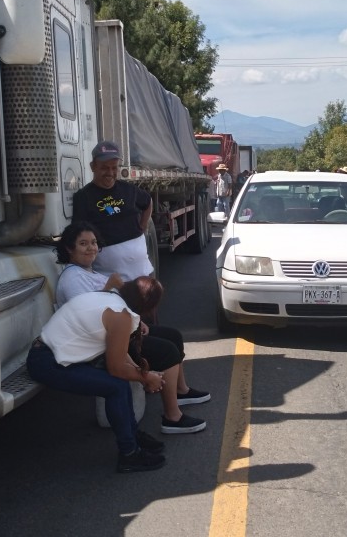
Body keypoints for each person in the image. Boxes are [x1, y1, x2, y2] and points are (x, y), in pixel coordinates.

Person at [54, 222, 210, 422]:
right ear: (69, 248)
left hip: (114, 332)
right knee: (167, 351)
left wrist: (135, 321)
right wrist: (108, 288)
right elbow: (86, 316)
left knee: (173, 335)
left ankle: (180, 390)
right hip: (99, 344)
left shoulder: (89, 273)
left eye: (93, 243)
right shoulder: (72, 278)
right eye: (83, 243)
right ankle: (173, 417)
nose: (91, 248)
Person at [27, 277, 176, 472]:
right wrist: (146, 378)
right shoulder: (121, 316)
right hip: (47, 362)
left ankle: (131, 435)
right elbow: (116, 367)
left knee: (118, 382)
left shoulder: (109, 299)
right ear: (148, 306)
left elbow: (119, 355)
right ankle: (129, 454)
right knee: (116, 385)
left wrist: (143, 374)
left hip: (48, 354)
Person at [71, 141, 153, 281]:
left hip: (142, 275)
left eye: (114, 168)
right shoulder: (83, 197)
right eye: (104, 168)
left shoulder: (129, 189)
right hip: (108, 280)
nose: (110, 173)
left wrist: (143, 225)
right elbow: (79, 235)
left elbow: (148, 201)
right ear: (93, 167)